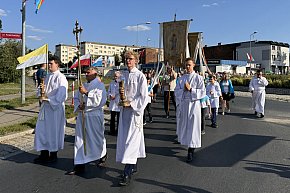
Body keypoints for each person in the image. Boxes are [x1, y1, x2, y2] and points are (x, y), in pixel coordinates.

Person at [67, 67, 107, 175]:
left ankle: (102, 154)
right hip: (82, 115)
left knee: (97, 138)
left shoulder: (100, 85)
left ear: (95, 73)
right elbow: (75, 98)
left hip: (94, 116)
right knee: (80, 140)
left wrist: (86, 93)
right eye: (85, 73)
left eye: (88, 72)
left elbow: (100, 100)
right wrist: (78, 105)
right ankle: (79, 164)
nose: (86, 74)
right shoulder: (83, 85)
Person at [116, 50, 148, 186]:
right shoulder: (123, 76)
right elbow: (121, 93)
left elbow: (144, 96)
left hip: (135, 113)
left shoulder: (140, 76)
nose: (127, 61)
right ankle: (133, 164)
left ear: (136, 60)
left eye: (130, 59)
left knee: (131, 141)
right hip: (125, 113)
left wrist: (132, 104)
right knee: (126, 140)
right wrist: (121, 98)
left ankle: (127, 173)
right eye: (126, 59)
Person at [34, 56, 68, 164]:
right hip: (45, 108)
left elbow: (62, 94)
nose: (49, 65)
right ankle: (43, 153)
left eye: (51, 63)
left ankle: (53, 154)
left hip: (55, 108)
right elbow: (41, 89)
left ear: (57, 64)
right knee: (41, 130)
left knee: (53, 131)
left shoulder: (61, 77)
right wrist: (40, 92)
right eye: (48, 63)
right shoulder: (47, 76)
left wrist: (49, 99)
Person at [174, 58, 206, 163]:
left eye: (189, 65)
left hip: (194, 105)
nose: (187, 67)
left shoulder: (198, 78)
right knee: (185, 126)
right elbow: (176, 91)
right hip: (184, 105)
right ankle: (187, 143)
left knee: (193, 127)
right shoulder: (182, 78)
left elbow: (202, 92)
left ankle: (191, 150)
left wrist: (191, 89)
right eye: (186, 65)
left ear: (193, 65)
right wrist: (182, 90)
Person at [107, 71, 121, 136]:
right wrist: (110, 95)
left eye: (117, 76)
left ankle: (118, 131)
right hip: (113, 102)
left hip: (118, 102)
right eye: (115, 76)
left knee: (119, 118)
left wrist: (116, 95)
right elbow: (109, 91)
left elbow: (121, 91)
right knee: (112, 118)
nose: (115, 77)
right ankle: (112, 130)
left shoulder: (121, 83)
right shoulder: (112, 83)